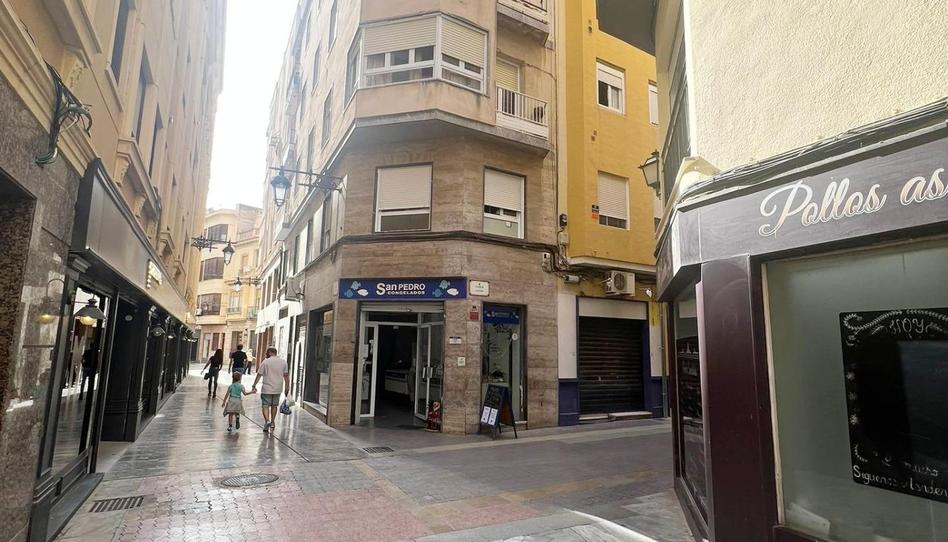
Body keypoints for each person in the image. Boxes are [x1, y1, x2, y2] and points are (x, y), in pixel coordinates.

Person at [252, 347, 288, 434]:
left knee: (265, 406)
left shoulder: (265, 362)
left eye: (267, 353)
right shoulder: (283, 362)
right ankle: (272, 422)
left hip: (266, 388)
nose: (266, 355)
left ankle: (267, 421)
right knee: (274, 406)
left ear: (270, 353)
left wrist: (254, 385)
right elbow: (286, 376)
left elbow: (259, 374)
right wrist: (287, 387)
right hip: (278, 388)